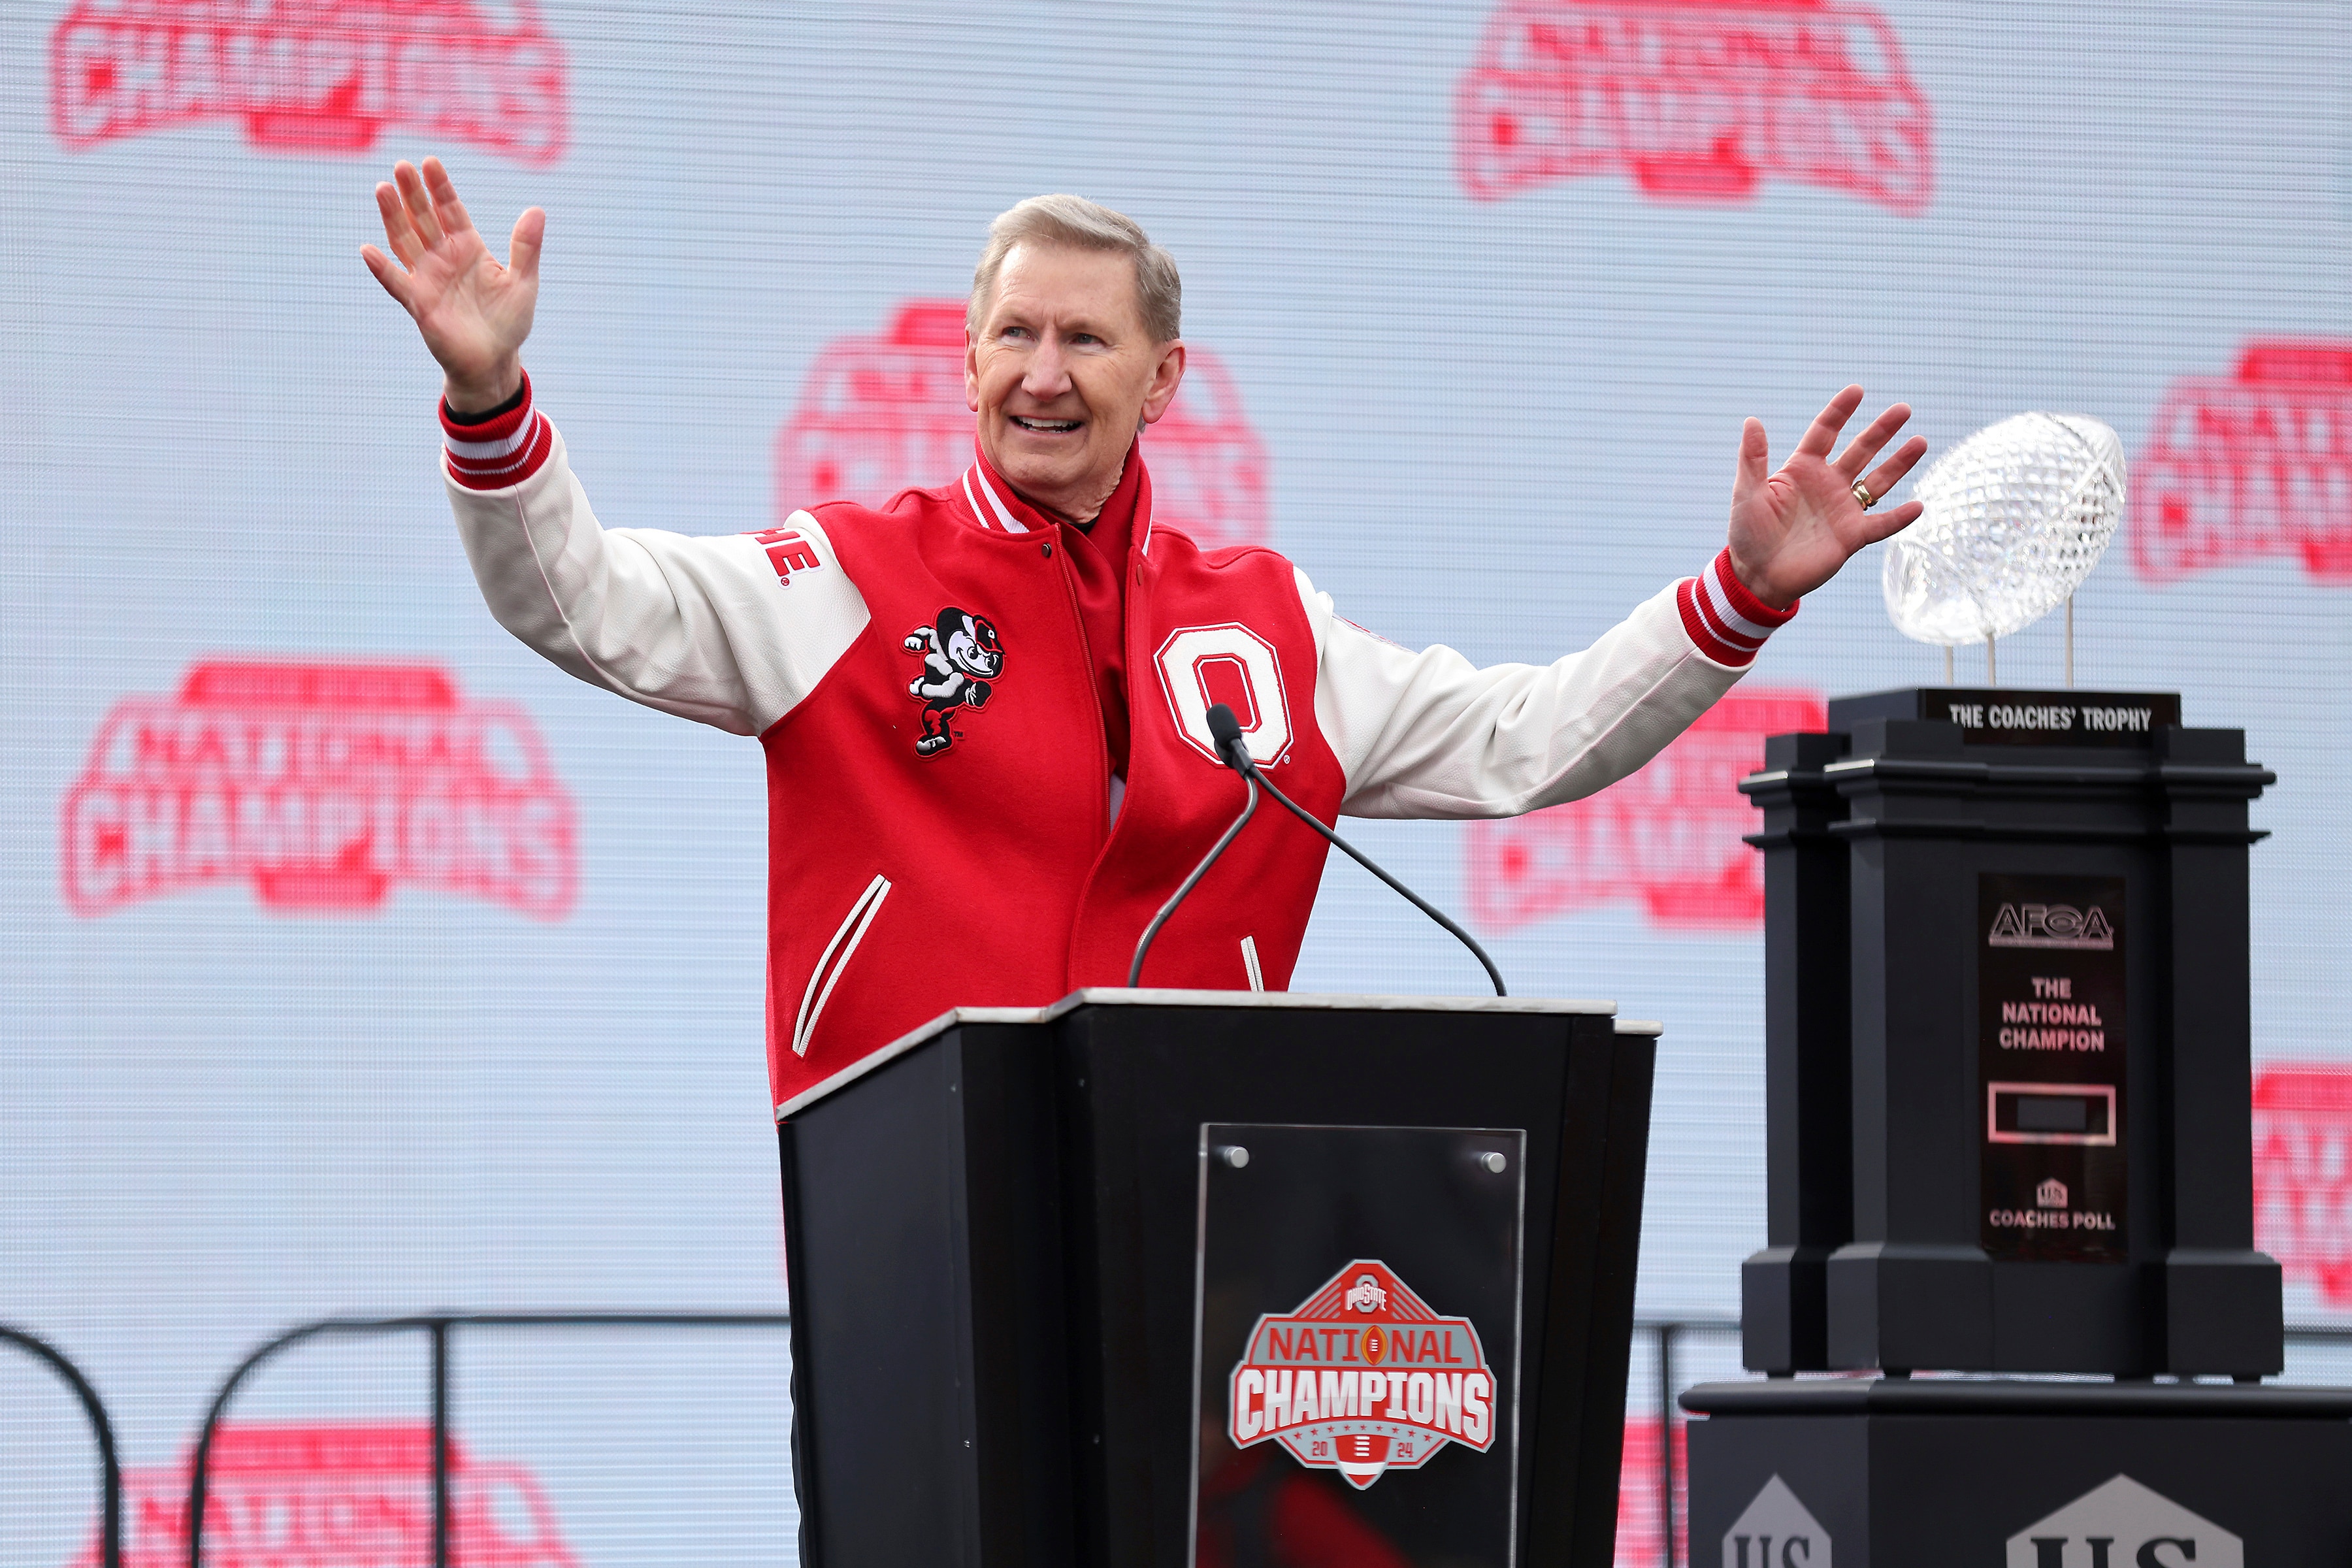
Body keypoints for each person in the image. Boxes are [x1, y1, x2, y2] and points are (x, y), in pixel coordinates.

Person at [362, 158, 1927, 1113]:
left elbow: (1525, 743)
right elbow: (578, 602)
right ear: (965, 364)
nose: (1044, 372)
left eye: (1086, 338)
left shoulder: (1256, 620)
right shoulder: (846, 573)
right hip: (912, 1207)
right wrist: (490, 403)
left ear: (1163, 379)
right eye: (1014, 335)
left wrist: (1742, 595)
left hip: (1199, 1214)